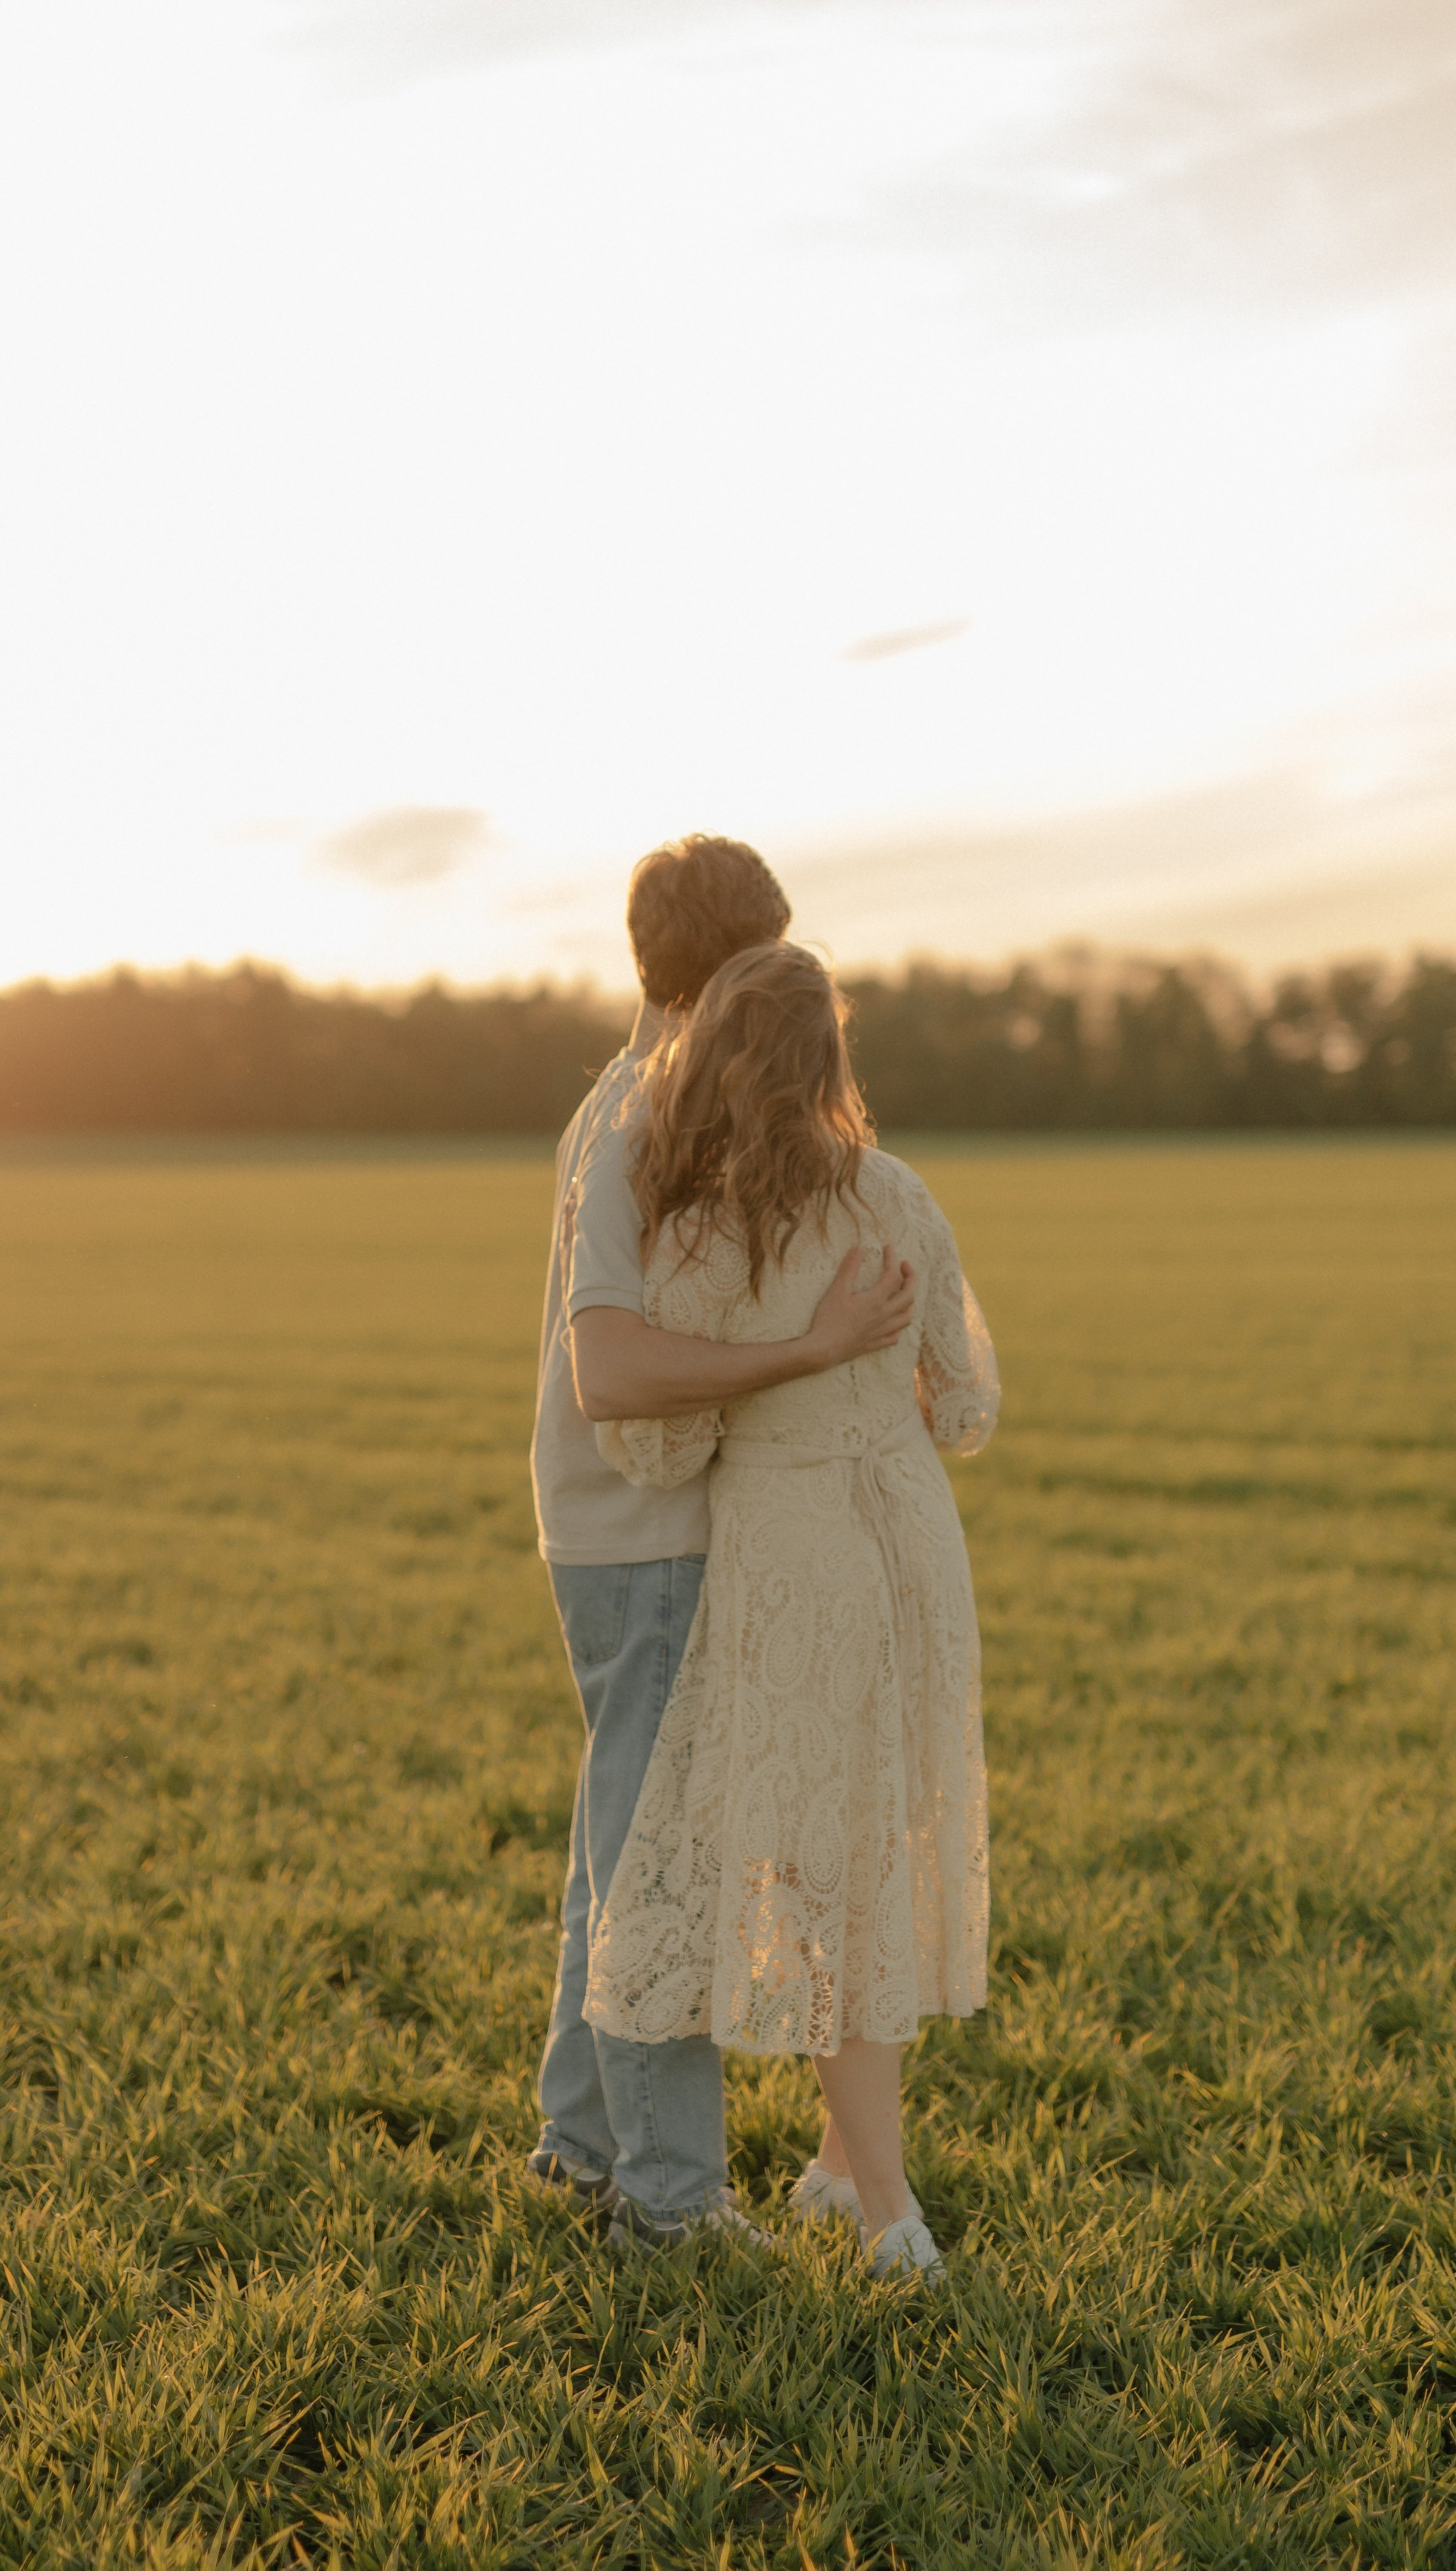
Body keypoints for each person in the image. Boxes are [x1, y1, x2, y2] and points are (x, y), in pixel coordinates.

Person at [582, 939, 999, 2281]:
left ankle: (887, 2214)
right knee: (875, 1839)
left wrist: (767, 1398)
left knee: (822, 1879)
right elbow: (972, 1403)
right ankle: (834, 2165)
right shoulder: (899, 1195)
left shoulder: (704, 1227)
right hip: (909, 1542)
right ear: (831, 1060)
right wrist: (876, 1402)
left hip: (799, 1552)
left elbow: (652, 1450)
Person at [528, 836, 920, 2246]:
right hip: (641, 1536)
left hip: (613, 1534)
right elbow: (612, 1373)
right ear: (739, 965)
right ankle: (670, 2206)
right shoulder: (640, 1116)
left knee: (613, 1849)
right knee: (656, 1881)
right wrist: (808, 1351)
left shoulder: (627, 1097)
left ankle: (576, 2151)